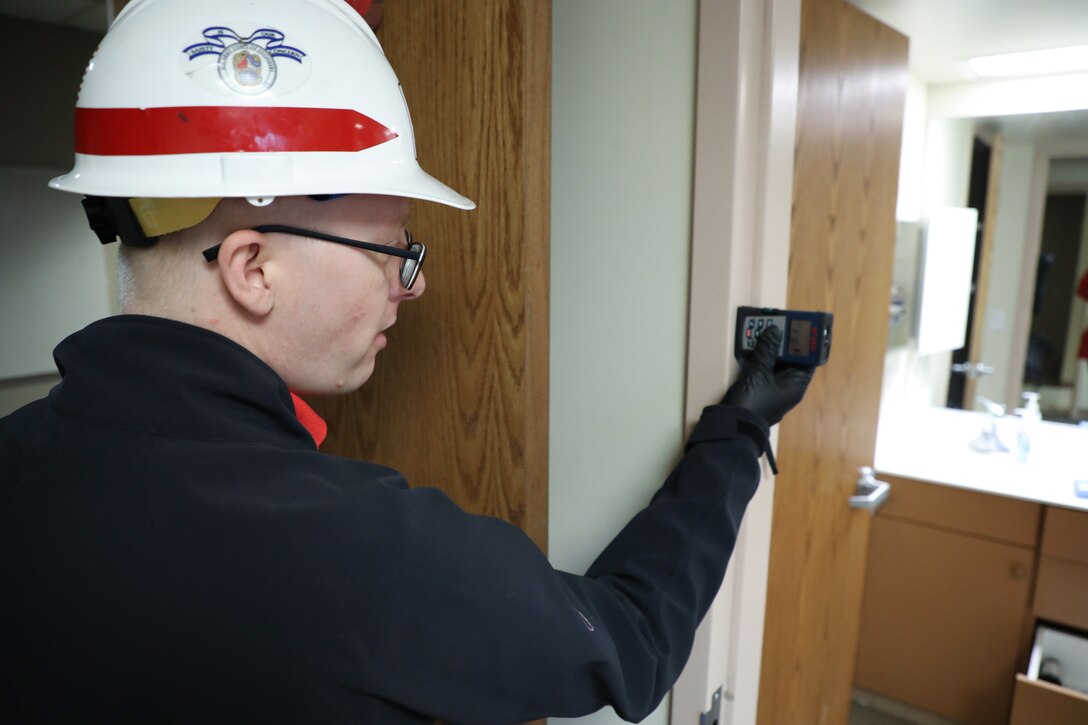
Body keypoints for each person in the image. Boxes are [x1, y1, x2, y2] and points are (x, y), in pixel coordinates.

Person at [0, 0, 815, 722]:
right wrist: (737, 430)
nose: (410, 285)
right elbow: (629, 637)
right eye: (392, 251)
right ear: (253, 269)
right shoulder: (359, 553)